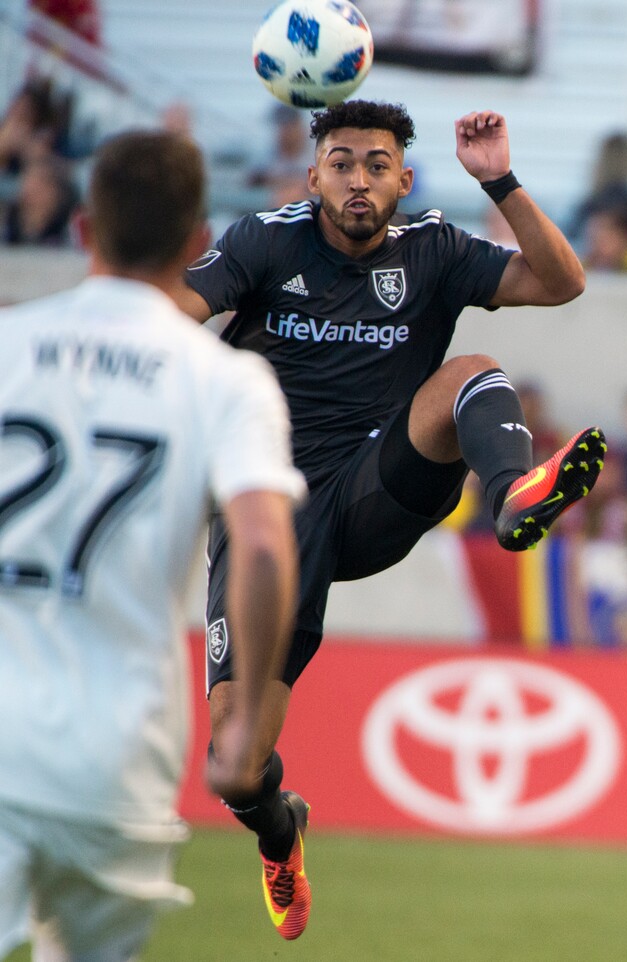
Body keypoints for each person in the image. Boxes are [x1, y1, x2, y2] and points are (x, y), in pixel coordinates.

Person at [176, 99, 607, 940]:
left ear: (404, 180)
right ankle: (280, 830)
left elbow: (562, 282)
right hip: (268, 515)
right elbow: (176, 314)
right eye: (342, 162)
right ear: (314, 176)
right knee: (235, 767)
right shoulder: (265, 239)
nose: (359, 180)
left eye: (378, 165)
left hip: (376, 487)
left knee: (471, 368)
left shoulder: (435, 250)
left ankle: (513, 495)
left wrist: (503, 182)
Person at [0, 129, 305, 960]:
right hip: (117, 757)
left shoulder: (8, 344)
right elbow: (268, 550)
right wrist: (243, 738)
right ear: (199, 242)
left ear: (82, 229)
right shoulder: (227, 381)